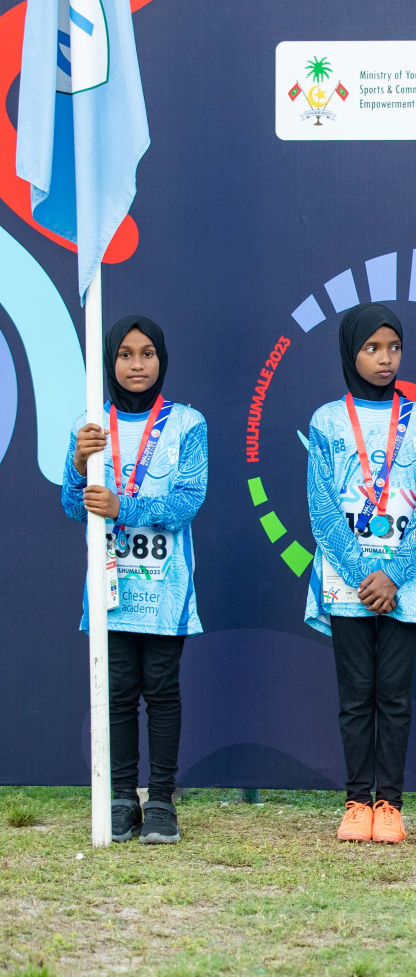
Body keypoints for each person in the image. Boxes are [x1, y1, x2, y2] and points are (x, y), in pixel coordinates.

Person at [63, 316, 208, 845]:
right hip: (109, 585)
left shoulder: (187, 424)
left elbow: (188, 501)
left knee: (163, 691)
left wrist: (125, 504)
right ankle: (123, 798)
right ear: (111, 361)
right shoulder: (90, 423)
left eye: (147, 353)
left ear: (161, 359)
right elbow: (70, 504)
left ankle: (163, 802)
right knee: (118, 692)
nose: (137, 364)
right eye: (125, 354)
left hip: (166, 587)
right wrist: (80, 462)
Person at [306, 304, 416, 844]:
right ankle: (356, 800)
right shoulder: (326, 421)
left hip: (404, 580)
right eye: (372, 348)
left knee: (394, 694)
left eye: (393, 348)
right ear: (351, 352)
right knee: (355, 694)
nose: (385, 359)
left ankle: (390, 803)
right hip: (347, 580)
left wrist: (393, 572)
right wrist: (366, 571)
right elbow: (321, 509)